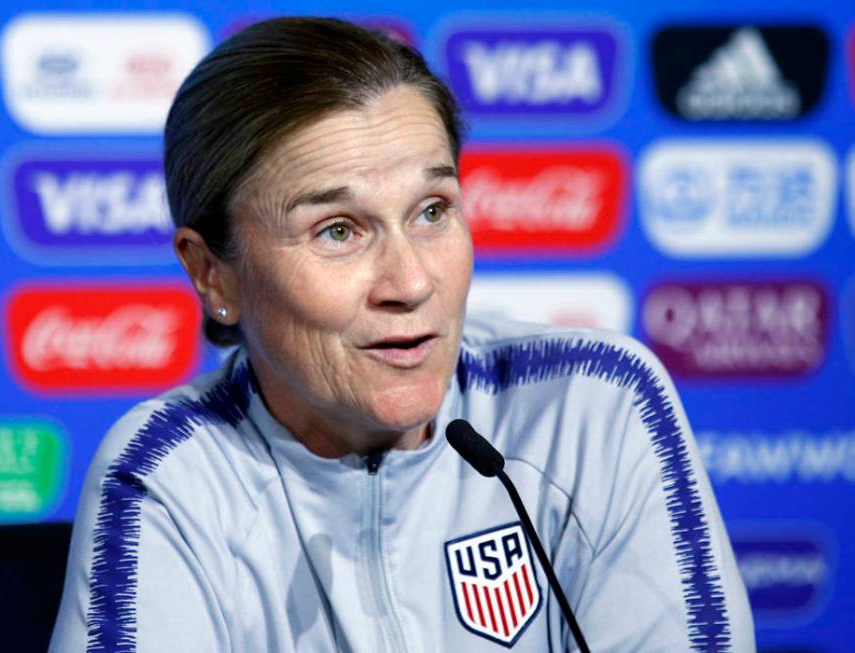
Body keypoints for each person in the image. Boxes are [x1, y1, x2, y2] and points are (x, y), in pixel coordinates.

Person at [50, 17, 754, 652]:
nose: (411, 282)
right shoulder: (171, 474)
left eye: (431, 211)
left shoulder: (594, 404)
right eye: (338, 230)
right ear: (213, 275)